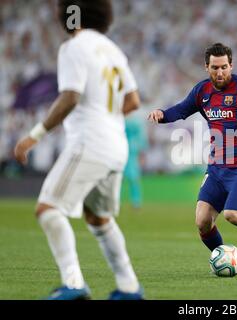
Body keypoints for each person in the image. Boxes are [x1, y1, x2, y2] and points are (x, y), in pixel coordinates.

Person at [14, 0, 144, 299]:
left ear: (70, 15)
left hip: (90, 142)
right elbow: (134, 100)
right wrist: (107, 118)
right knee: (99, 219)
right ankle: (129, 287)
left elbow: (71, 97)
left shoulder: (73, 47)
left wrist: (34, 135)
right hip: (116, 146)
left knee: (48, 209)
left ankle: (73, 284)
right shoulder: (113, 50)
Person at [148, 43, 237, 253]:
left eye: (224, 67)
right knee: (202, 221)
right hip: (217, 166)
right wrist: (162, 114)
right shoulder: (202, 91)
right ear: (206, 67)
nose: (220, 72)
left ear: (231, 65)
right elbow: (181, 110)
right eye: (215, 67)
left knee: (233, 215)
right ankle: (224, 256)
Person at [123, 114, 148, 210]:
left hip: (129, 152)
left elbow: (141, 139)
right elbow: (142, 139)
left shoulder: (127, 121)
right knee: (132, 179)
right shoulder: (136, 121)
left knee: (130, 179)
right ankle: (136, 202)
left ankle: (135, 201)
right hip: (130, 152)